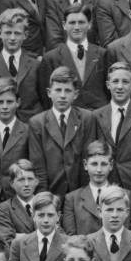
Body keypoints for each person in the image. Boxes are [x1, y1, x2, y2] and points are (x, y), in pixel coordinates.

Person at [28, 66, 97, 198]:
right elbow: (38, 167)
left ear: (76, 94)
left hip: (80, 192)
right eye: (58, 90)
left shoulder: (86, 118)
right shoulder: (37, 123)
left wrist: (85, 195)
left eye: (68, 91)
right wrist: (45, 198)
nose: (62, 96)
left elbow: (87, 160)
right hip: (51, 193)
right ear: (49, 92)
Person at [39, 2, 107, 110]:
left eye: (81, 22)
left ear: (89, 24)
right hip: (68, 117)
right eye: (72, 22)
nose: (76, 27)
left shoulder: (103, 54)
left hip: (98, 116)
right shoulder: (50, 58)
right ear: (64, 25)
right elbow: (46, 98)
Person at [0, 9, 44, 121]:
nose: (12, 38)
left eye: (17, 33)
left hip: (31, 126)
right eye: (8, 33)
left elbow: (45, 101)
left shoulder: (36, 65)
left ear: (25, 35)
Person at [0, 160, 41, 246]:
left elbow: (58, 236)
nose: (26, 184)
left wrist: (19, 236)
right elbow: (7, 240)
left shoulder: (45, 203)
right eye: (21, 180)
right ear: (12, 183)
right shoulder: (5, 208)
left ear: (36, 181)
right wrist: (42, 238)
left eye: (30, 179)